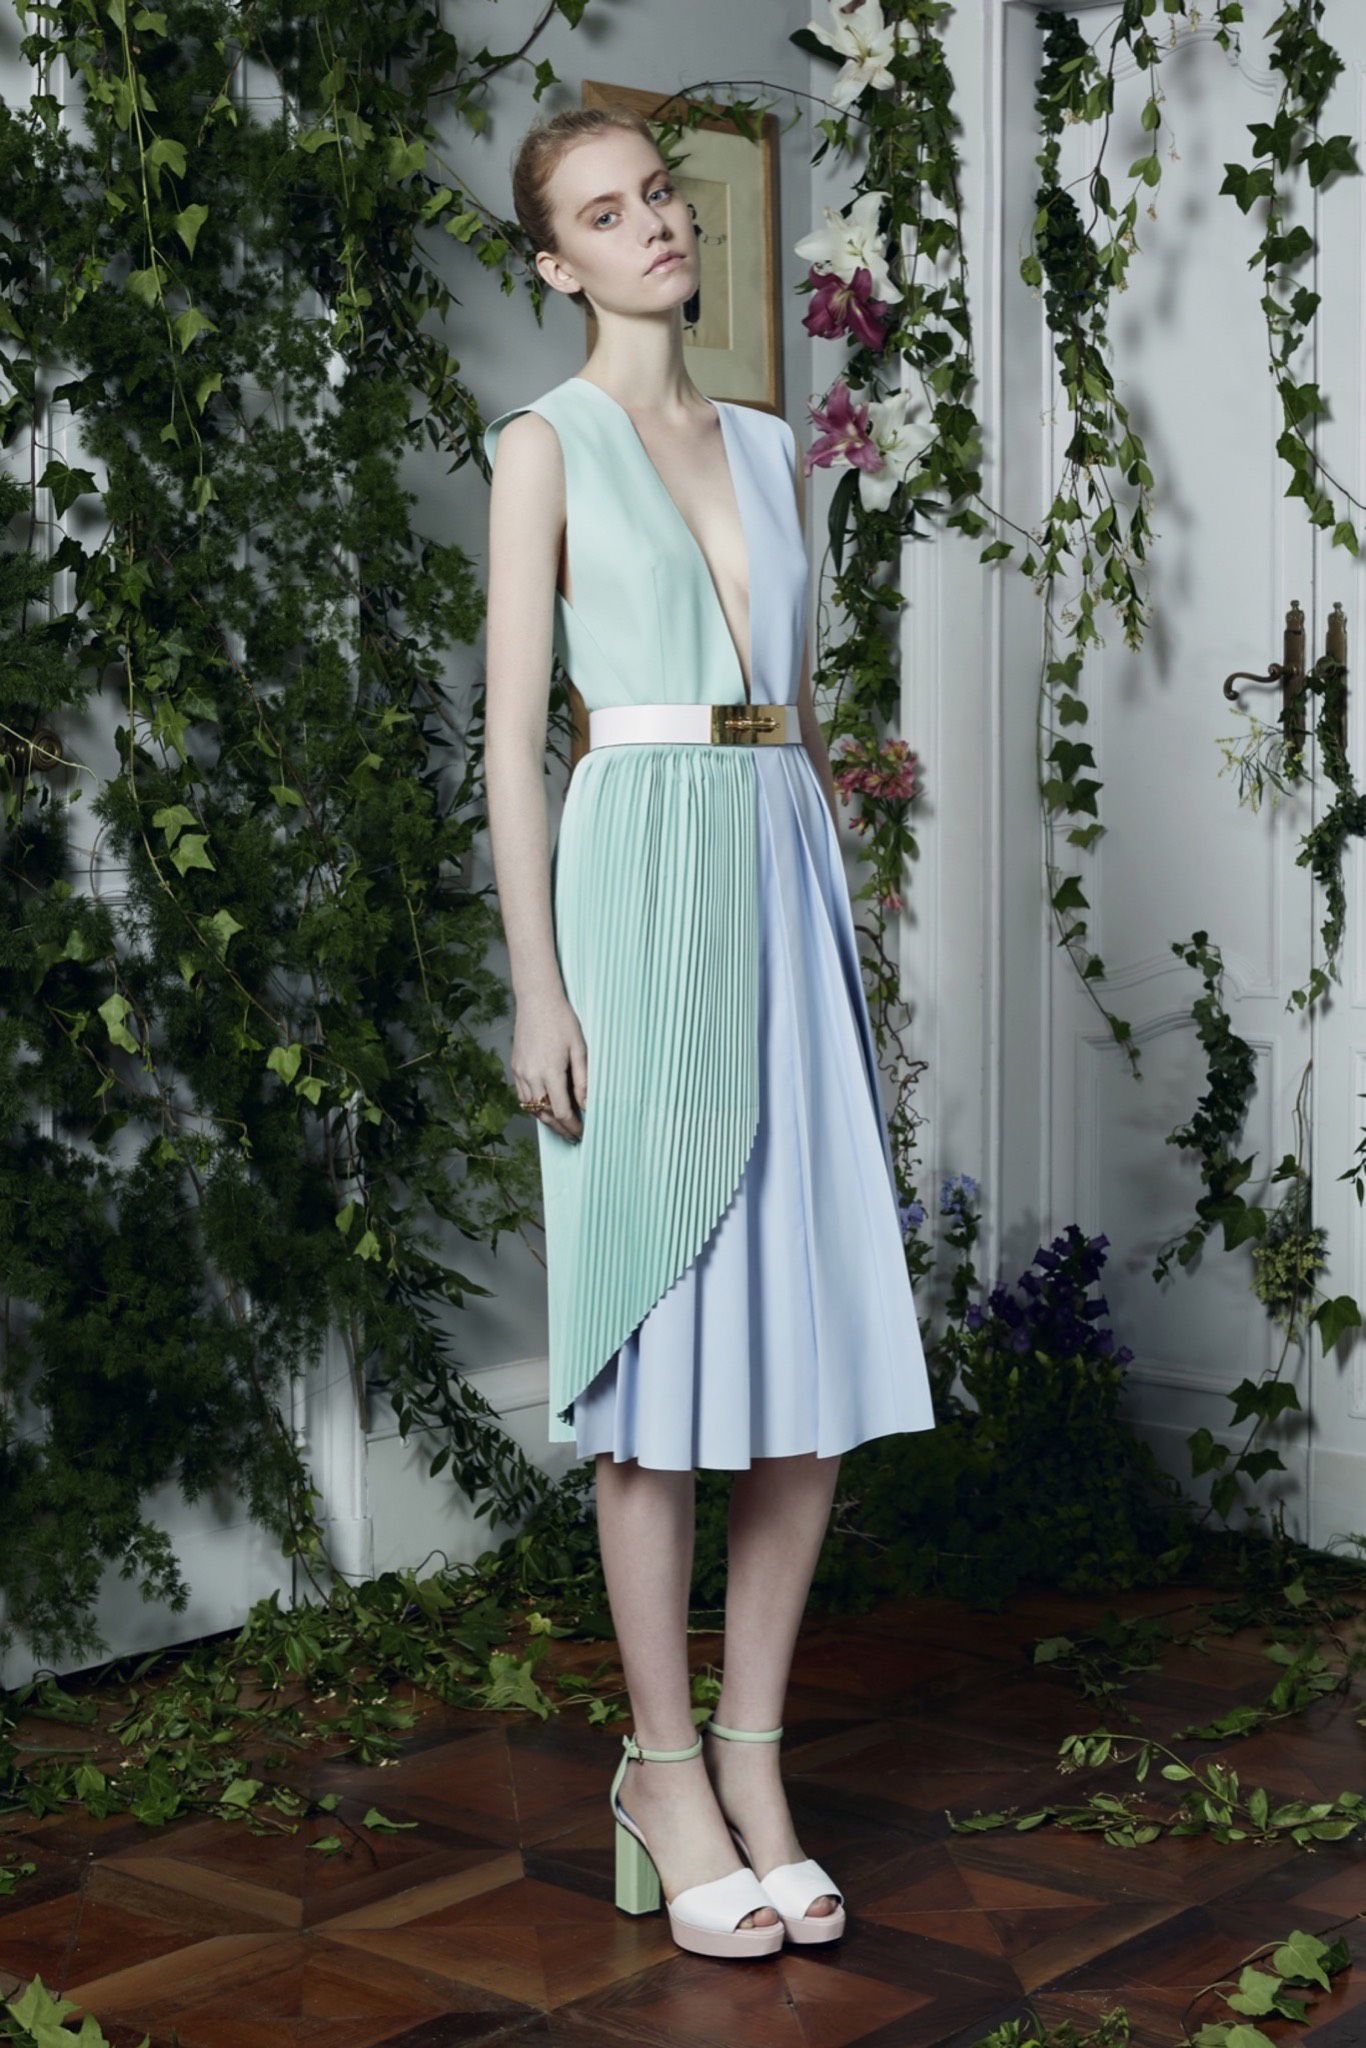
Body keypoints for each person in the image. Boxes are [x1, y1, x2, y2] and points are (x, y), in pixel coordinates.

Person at [482, 105, 935, 1963]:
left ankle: (752, 1756)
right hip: (636, 883)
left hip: (777, 868)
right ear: (555, 262)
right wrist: (538, 986)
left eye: (658, 194)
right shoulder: (544, 445)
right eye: (605, 213)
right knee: (658, 1369)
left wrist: (837, 922)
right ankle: (659, 1772)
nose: (652, 224)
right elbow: (515, 744)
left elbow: (793, 718)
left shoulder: (762, 442)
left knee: (803, 1363)